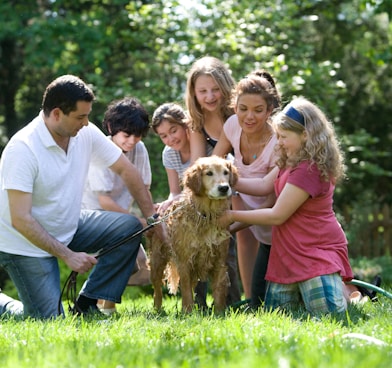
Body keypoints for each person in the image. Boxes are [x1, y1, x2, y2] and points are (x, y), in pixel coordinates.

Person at [0, 75, 165, 319]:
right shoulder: (22, 149)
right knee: (48, 321)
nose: (87, 123)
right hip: (24, 243)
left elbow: (126, 170)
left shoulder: (84, 133)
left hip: (68, 224)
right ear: (56, 114)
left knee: (129, 226)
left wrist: (152, 219)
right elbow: (20, 219)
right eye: (80, 117)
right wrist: (68, 256)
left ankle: (86, 304)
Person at [219, 96, 354, 315]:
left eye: (283, 137)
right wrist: (224, 182)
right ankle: (340, 291)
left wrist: (232, 215)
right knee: (277, 316)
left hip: (314, 252)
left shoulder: (308, 169)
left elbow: (276, 215)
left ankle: (350, 295)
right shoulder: (290, 160)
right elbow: (264, 187)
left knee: (327, 313)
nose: (278, 142)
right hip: (288, 253)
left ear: (305, 135)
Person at [213, 70, 280, 308]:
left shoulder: (279, 142)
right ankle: (251, 300)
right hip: (255, 226)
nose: (249, 117)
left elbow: (268, 197)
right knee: (258, 302)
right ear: (235, 107)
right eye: (243, 109)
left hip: (281, 231)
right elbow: (214, 162)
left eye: (258, 110)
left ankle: (355, 291)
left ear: (270, 110)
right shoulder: (232, 126)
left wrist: (229, 223)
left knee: (285, 300)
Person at [82, 96, 152, 315]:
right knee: (127, 259)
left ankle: (101, 303)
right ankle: (103, 307)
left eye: (137, 135)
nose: (132, 141)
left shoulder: (139, 150)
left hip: (123, 220)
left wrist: (151, 219)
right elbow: (105, 202)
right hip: (93, 219)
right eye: (126, 134)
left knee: (145, 269)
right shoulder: (99, 149)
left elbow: (144, 189)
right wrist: (138, 222)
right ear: (111, 127)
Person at [185, 56, 241, 308]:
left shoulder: (239, 114)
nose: (209, 96)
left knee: (229, 244)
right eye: (202, 91)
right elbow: (199, 163)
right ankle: (198, 300)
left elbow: (224, 156)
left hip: (243, 183)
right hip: (218, 189)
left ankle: (235, 299)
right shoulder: (196, 123)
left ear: (226, 87)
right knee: (201, 226)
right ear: (193, 94)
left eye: (215, 89)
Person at [151, 102, 191, 212]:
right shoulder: (169, 153)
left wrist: (175, 200)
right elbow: (174, 192)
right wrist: (167, 205)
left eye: (174, 131)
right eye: (164, 136)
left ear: (185, 125)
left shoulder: (202, 147)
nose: (171, 139)